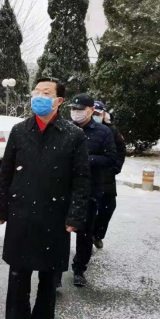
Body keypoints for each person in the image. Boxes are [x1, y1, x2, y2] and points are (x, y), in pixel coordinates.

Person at [0, 78, 90, 319]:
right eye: (36, 92)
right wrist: (1, 208)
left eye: (46, 93)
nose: (39, 96)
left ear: (59, 101)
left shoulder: (73, 135)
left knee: (49, 278)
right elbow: (6, 173)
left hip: (55, 217)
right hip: (21, 214)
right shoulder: (19, 130)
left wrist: (75, 216)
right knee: (18, 277)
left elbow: (82, 180)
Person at [66, 93, 118, 288]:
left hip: (90, 189)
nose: (75, 112)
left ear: (90, 110)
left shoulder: (103, 132)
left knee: (85, 233)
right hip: (65, 188)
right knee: (60, 231)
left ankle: (79, 269)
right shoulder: (66, 129)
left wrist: (87, 160)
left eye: (79, 109)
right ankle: (55, 271)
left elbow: (111, 158)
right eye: (73, 109)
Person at [92, 101, 126, 249]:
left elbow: (121, 150)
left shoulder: (112, 130)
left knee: (108, 207)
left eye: (98, 113)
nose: (95, 116)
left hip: (107, 176)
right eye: (93, 113)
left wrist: (116, 167)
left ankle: (98, 235)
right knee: (89, 208)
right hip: (88, 176)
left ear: (104, 114)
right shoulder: (80, 128)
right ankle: (86, 237)